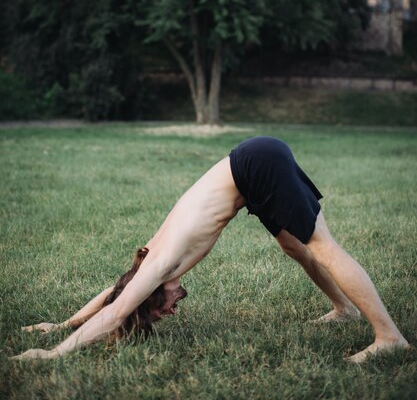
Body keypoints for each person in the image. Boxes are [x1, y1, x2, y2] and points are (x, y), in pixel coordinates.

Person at [13, 136, 409, 364]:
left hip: (256, 165)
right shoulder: (149, 263)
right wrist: (64, 324)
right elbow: (117, 293)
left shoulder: (161, 265)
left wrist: (53, 354)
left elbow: (119, 310)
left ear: (152, 293)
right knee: (294, 245)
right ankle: (344, 308)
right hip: (251, 167)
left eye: (162, 308)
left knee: (320, 246)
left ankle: (388, 336)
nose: (172, 310)